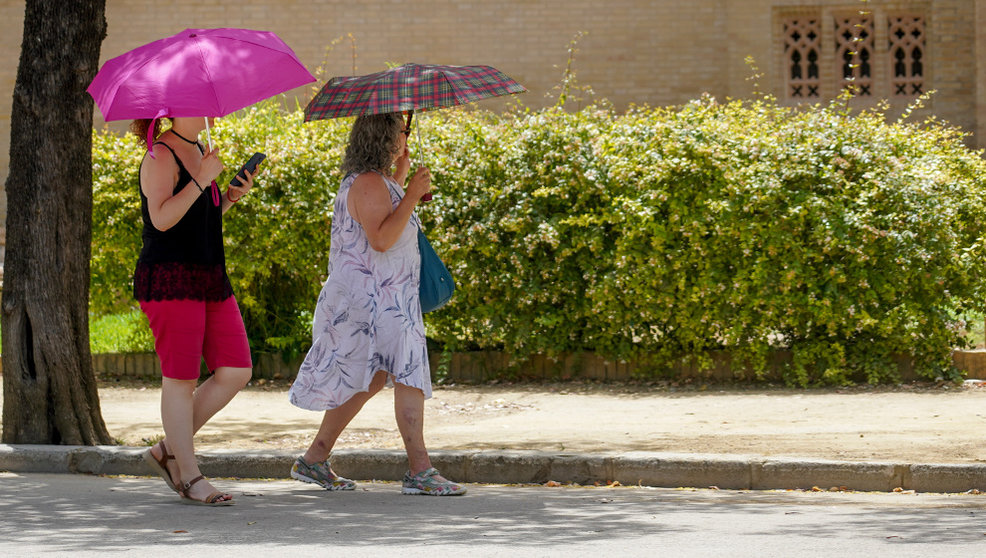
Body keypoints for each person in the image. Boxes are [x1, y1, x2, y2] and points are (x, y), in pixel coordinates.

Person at [288, 112, 466, 496]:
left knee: (370, 378)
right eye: (402, 130)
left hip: (382, 298)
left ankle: (314, 459)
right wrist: (412, 195)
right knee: (407, 374)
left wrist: (400, 179)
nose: (406, 135)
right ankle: (420, 471)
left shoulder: (375, 181)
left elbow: (382, 216)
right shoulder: (368, 182)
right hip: (377, 301)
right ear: (384, 137)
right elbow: (382, 239)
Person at [135, 116, 258, 506]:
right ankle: (189, 476)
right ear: (178, 106)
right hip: (171, 278)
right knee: (180, 379)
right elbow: (161, 219)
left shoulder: (200, 150)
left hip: (209, 276)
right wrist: (202, 179)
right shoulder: (160, 155)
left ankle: (167, 450)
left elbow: (196, 221)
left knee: (236, 370)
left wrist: (230, 197)